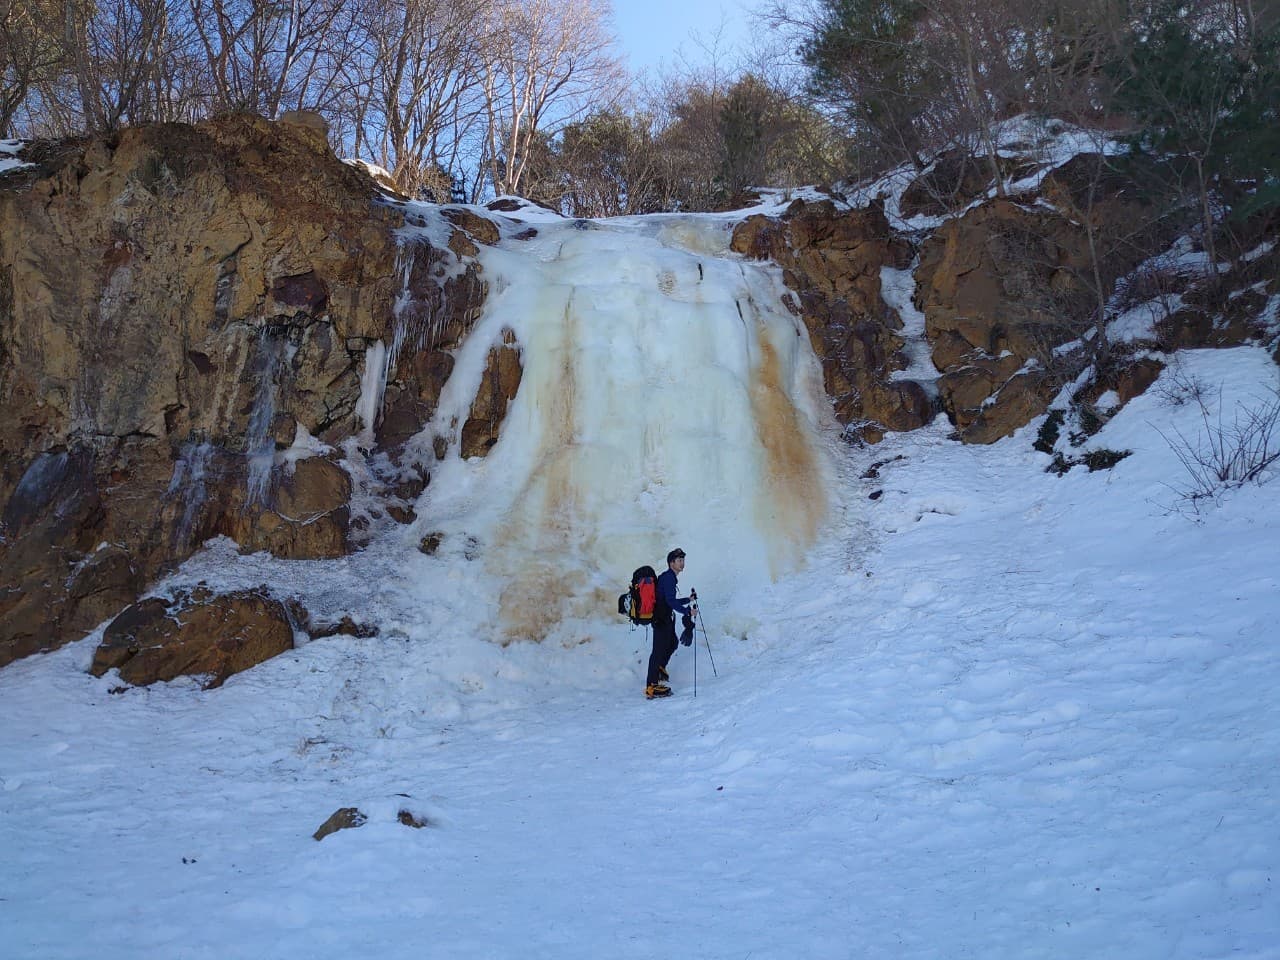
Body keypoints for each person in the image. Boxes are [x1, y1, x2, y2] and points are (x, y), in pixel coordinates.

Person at [645, 547, 697, 700]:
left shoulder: (670, 578)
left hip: (665, 617)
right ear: (671, 563)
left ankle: (660, 668)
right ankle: (651, 686)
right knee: (657, 651)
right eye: (679, 561)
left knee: (673, 642)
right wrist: (687, 612)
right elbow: (670, 601)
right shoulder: (668, 578)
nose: (682, 563)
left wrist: (688, 600)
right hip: (661, 619)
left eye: (683, 560)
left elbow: (671, 601)